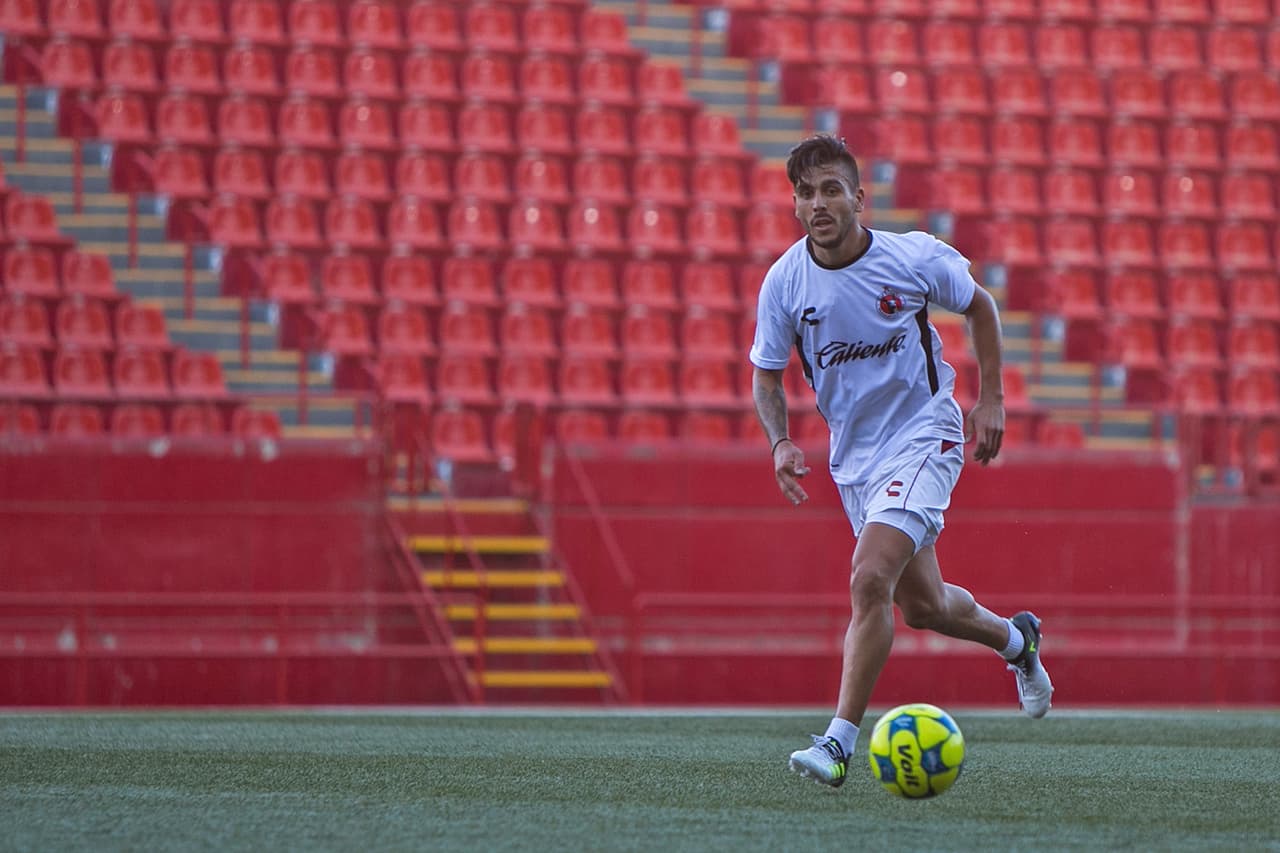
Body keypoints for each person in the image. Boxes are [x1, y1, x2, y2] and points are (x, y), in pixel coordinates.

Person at [749, 134, 1053, 789]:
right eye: (806, 192)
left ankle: (837, 744)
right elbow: (767, 375)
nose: (818, 203)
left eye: (831, 189)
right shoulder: (784, 284)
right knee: (921, 606)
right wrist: (778, 440)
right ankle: (1017, 641)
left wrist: (990, 398)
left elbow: (980, 304)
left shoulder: (910, 256)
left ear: (859, 197)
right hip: (853, 462)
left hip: (925, 435)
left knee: (868, 580)